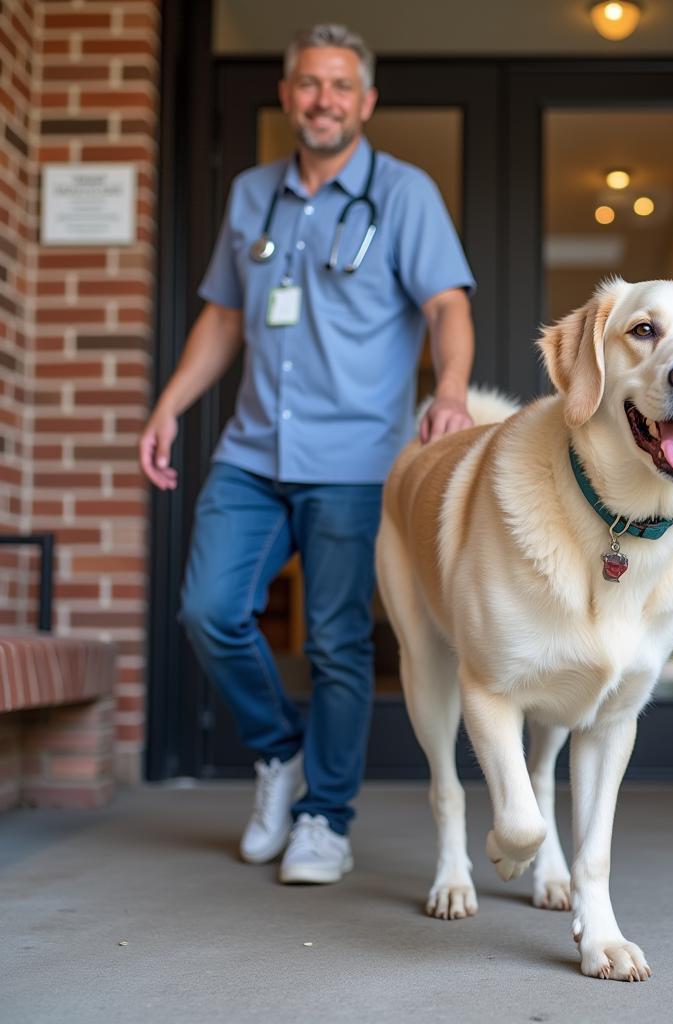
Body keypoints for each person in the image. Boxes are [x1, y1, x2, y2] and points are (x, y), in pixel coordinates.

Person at [138, 24, 475, 885]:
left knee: (335, 643)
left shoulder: (403, 195)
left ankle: (325, 817)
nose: (323, 99)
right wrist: (171, 406)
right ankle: (278, 755)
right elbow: (223, 316)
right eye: (308, 84)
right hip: (253, 448)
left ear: (364, 103)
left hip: (357, 459)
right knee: (208, 611)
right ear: (287, 97)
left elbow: (447, 306)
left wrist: (447, 393)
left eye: (340, 86)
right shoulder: (254, 194)